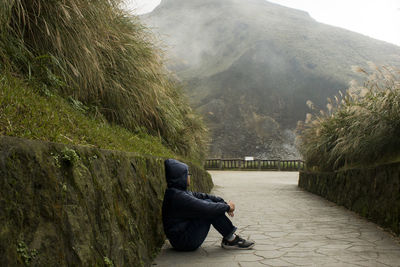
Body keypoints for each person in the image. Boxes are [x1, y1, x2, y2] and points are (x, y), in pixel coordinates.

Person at [162, 159, 255, 251]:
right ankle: (231, 239)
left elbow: (202, 196)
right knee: (209, 209)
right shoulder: (178, 197)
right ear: (181, 177)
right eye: (187, 174)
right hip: (184, 242)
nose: (189, 176)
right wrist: (227, 207)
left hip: (183, 236)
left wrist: (224, 203)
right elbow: (207, 208)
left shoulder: (178, 192)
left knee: (209, 203)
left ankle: (230, 238)